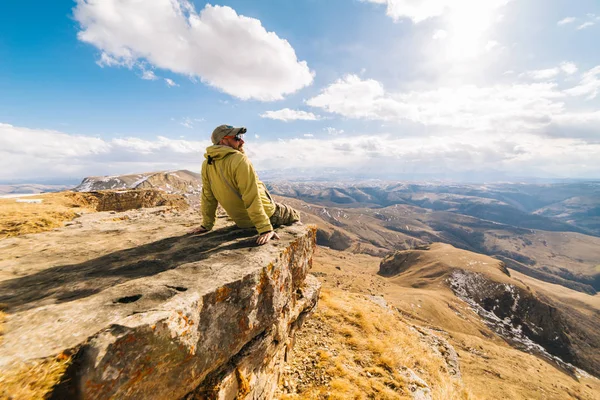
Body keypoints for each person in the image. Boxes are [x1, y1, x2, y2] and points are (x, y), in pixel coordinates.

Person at [192, 125, 300, 245]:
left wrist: (206, 225)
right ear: (223, 140)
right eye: (237, 137)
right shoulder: (239, 160)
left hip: (242, 222)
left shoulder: (207, 163)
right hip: (268, 214)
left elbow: (208, 196)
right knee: (294, 213)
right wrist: (265, 228)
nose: (242, 141)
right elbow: (251, 196)